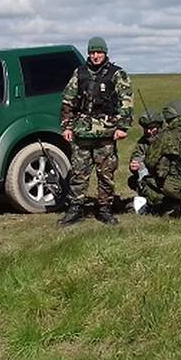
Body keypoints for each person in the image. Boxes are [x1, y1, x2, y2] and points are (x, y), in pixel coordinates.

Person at [58, 37, 133, 225]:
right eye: (92, 52)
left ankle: (105, 208)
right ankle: (76, 208)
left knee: (106, 173)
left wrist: (122, 127)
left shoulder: (117, 74)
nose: (95, 56)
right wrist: (66, 126)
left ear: (105, 53)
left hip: (106, 133)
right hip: (82, 133)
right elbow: (68, 100)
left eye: (99, 52)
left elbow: (126, 101)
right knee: (78, 173)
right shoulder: (79, 73)